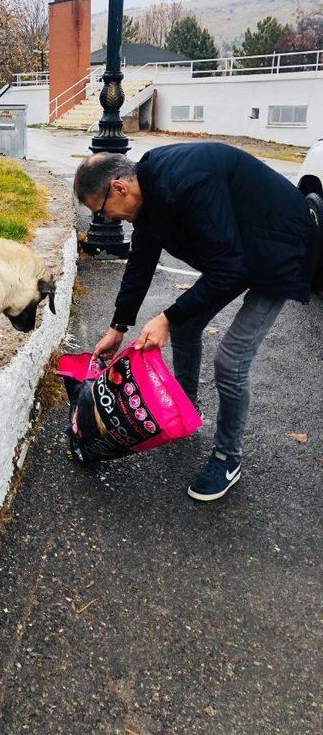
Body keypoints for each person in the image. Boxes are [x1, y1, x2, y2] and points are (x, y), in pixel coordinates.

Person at [74, 142, 319, 501]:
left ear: (119, 188)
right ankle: (187, 406)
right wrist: (118, 327)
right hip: (240, 249)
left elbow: (229, 268)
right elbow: (140, 264)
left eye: (103, 211)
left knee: (231, 362)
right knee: (188, 325)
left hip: (282, 249)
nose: (106, 220)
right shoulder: (149, 197)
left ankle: (227, 458)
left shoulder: (185, 183)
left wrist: (167, 317)